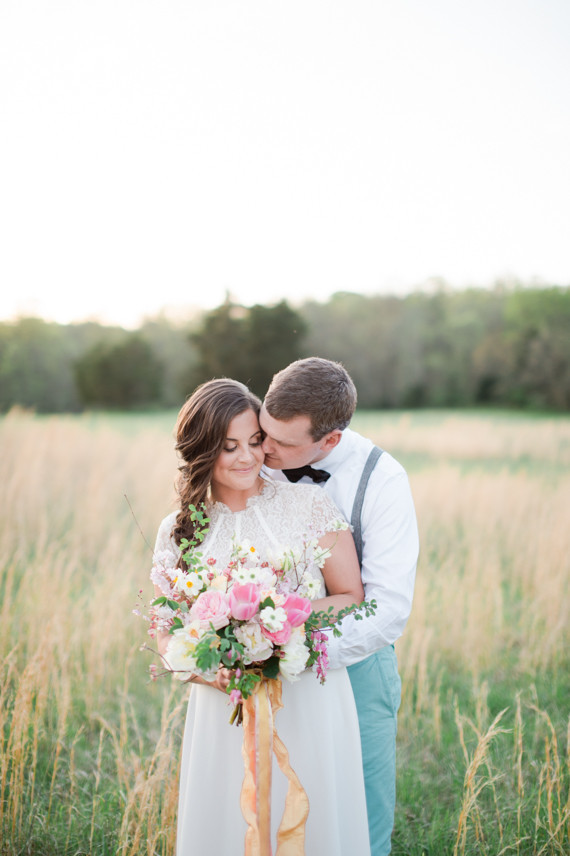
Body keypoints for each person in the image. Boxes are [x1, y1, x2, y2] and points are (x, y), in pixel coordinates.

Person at [152, 378, 371, 856]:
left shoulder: (308, 506)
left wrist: (277, 627)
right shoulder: (177, 530)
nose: (247, 457)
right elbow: (166, 632)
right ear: (202, 449)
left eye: (255, 441)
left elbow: (351, 595)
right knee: (228, 824)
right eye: (229, 446)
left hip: (307, 696)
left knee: (312, 818)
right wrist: (210, 670)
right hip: (224, 708)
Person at [260, 357, 419, 856]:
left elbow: (387, 608)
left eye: (283, 443)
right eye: (265, 431)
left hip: (356, 667)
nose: (265, 448)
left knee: (361, 821)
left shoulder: (383, 479)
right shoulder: (255, 455)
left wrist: (294, 652)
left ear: (329, 440)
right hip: (261, 662)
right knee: (277, 807)